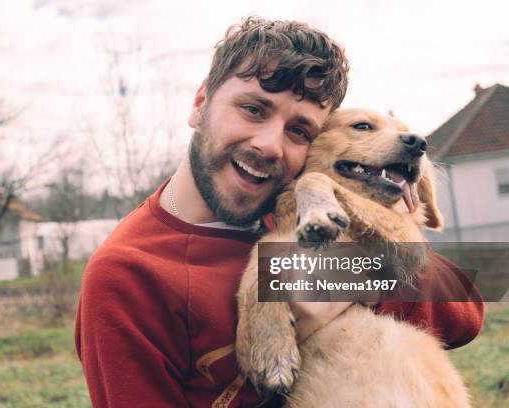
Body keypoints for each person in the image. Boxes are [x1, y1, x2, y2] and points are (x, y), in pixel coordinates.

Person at [75, 17, 484, 407]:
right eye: (253, 109)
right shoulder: (128, 276)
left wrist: (343, 278)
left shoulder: (300, 210)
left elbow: (466, 312)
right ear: (200, 103)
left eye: (299, 131)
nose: (270, 145)